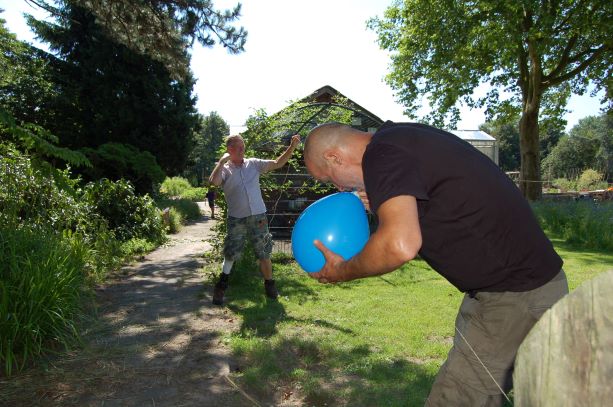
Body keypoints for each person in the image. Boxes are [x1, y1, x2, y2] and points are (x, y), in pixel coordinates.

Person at [303, 121, 568, 406]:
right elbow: (439, 207)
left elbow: (400, 245)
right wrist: (383, 201)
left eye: (329, 179)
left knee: (455, 398)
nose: (339, 187)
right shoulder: (399, 138)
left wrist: (342, 271)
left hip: (516, 296)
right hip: (516, 289)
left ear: (334, 157)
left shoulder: (382, 154)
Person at [209, 133, 301, 306]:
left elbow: (277, 163)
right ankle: (221, 286)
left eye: (243, 147)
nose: (242, 150)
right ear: (229, 150)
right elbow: (213, 182)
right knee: (231, 254)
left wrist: (292, 146)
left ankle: (270, 286)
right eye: (238, 147)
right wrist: (221, 162)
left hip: (258, 216)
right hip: (236, 219)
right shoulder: (224, 169)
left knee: (264, 252)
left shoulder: (254, 164)